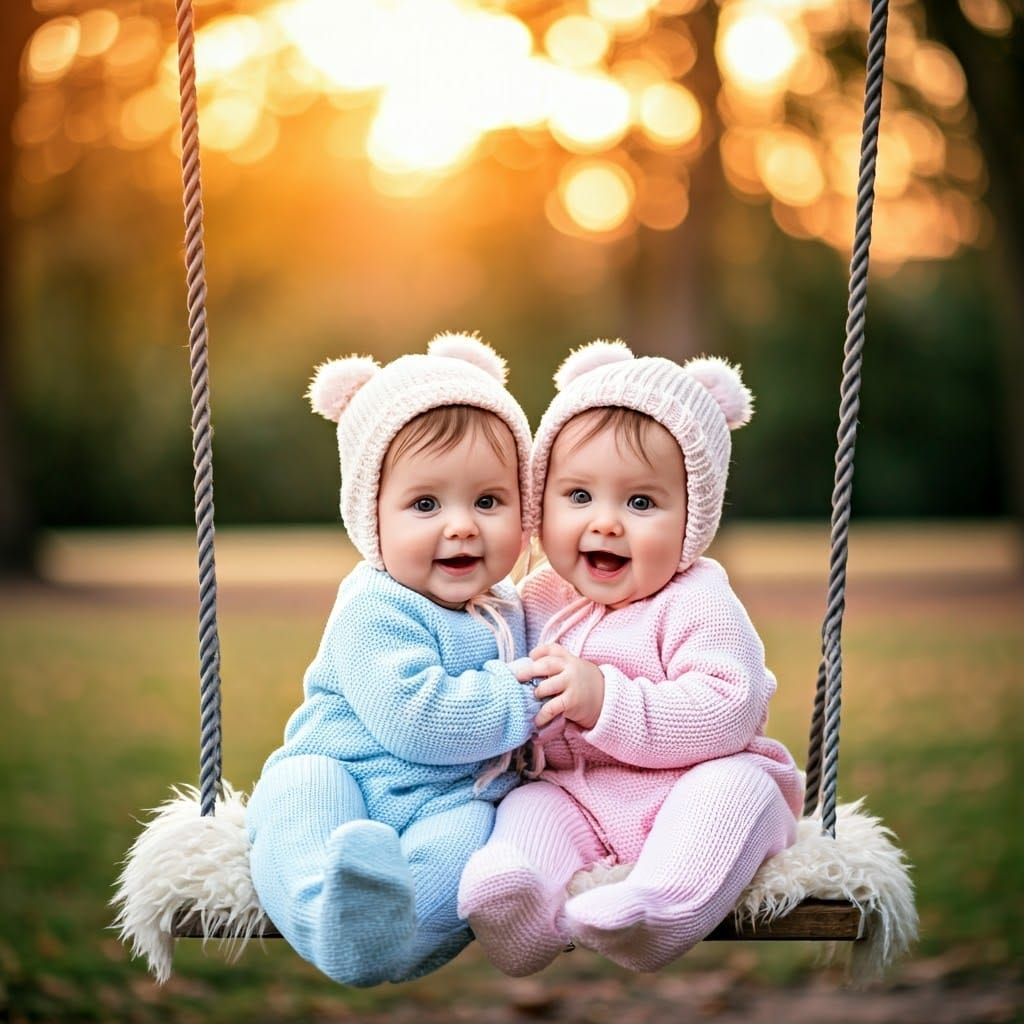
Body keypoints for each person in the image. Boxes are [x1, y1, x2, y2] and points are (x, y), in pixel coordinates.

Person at [458, 340, 804, 975]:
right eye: (579, 496)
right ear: (542, 503)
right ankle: (517, 903)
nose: (607, 523)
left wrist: (605, 700)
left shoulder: (697, 597)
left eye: (641, 502)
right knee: (527, 811)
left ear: (693, 517)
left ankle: (658, 909)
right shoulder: (532, 598)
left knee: (736, 792)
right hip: (578, 795)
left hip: (694, 785)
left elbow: (731, 706)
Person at [246, 333, 541, 987]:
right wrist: (524, 698)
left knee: (463, 853)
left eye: (488, 501)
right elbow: (418, 719)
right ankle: (329, 911)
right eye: (425, 505)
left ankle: (387, 937)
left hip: (453, 798)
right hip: (342, 772)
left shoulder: (515, 606)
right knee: (297, 800)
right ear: (371, 520)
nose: (461, 526)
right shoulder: (374, 607)